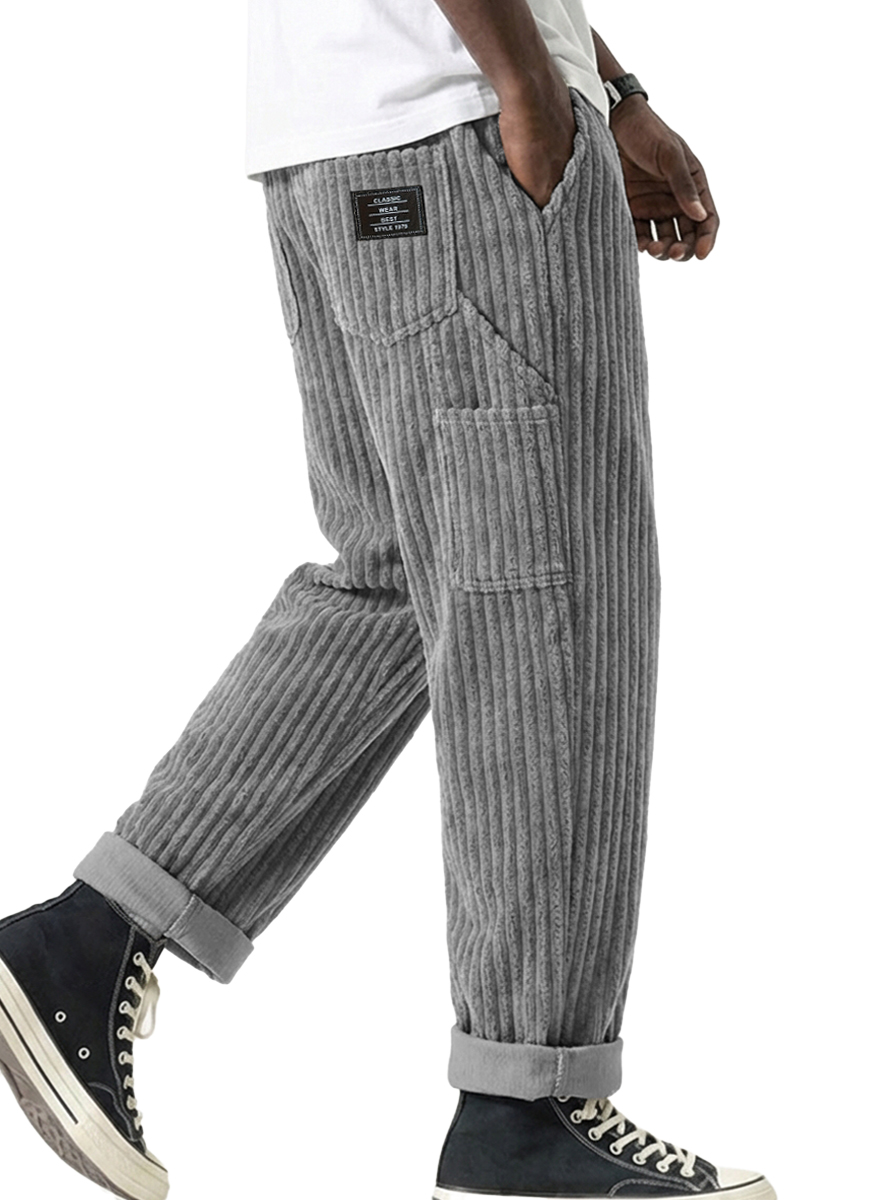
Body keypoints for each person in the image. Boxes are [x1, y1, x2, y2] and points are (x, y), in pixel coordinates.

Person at [0, 1, 775, 1198]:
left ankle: (87, 940)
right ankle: (528, 1104)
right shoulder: (485, 102)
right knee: (550, 594)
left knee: (404, 577)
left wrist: (606, 86)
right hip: (459, 132)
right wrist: (529, 89)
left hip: (345, 141)